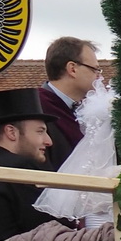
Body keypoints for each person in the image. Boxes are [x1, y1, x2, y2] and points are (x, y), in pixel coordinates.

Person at [0, 88, 60, 241]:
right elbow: (47, 232)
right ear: (11, 132)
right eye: (40, 131)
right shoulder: (23, 167)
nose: (48, 141)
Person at [38, 37, 99, 171]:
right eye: (94, 69)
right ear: (72, 69)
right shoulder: (37, 108)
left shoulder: (85, 110)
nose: (99, 77)